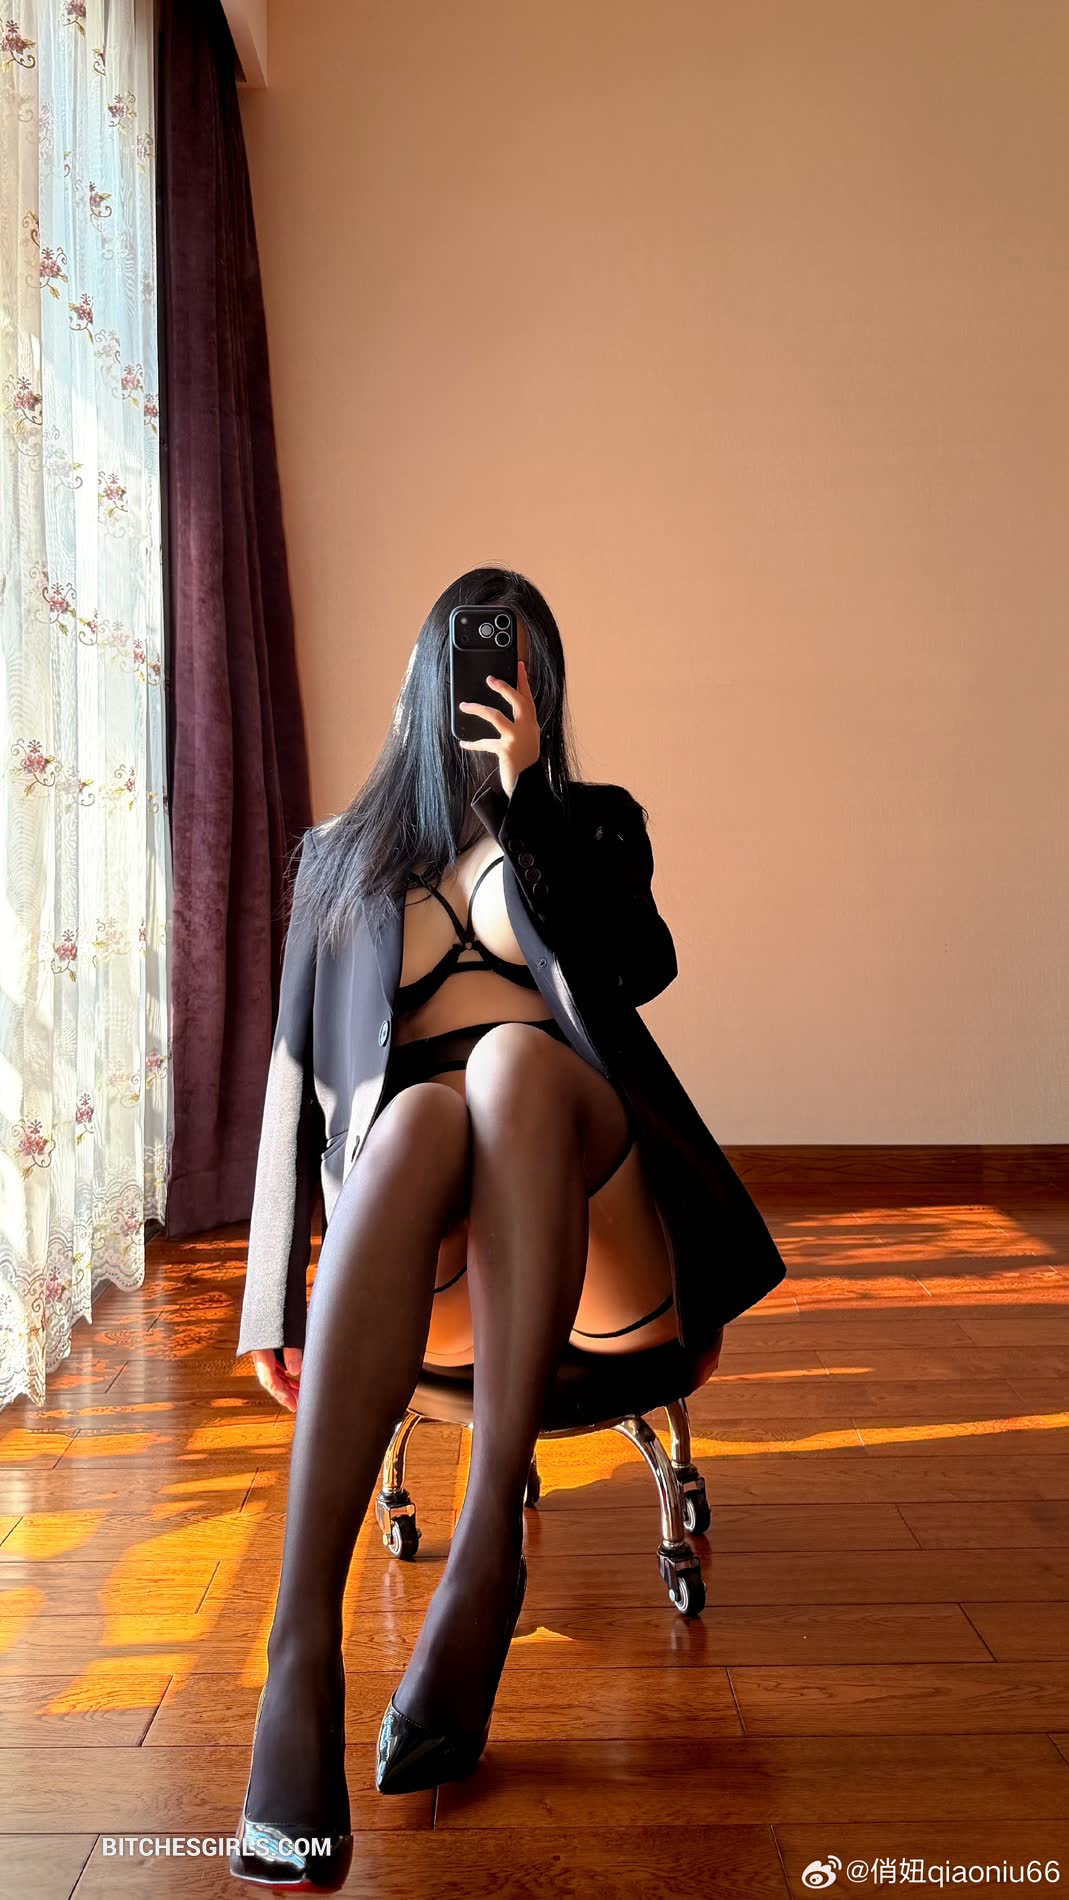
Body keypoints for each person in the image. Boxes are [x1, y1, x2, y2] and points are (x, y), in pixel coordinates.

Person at [230, 567, 786, 1892]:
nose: (498, 675)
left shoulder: (594, 827)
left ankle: (488, 1555)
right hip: (426, 1259)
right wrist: (268, 1303)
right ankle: (300, 1656)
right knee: (419, 1120)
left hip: (596, 1233)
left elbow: (636, 972)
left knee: (509, 1065)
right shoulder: (337, 858)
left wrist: (528, 801)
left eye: (522, 657)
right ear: (427, 677)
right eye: (479, 655)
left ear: (547, 685)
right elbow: (294, 1087)